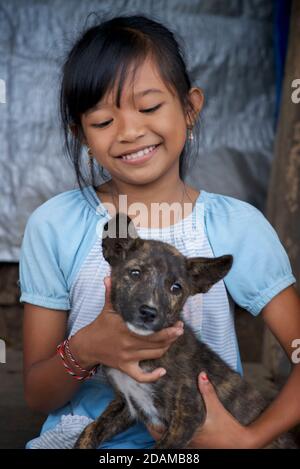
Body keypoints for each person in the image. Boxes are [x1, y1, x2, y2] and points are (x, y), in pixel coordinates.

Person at [19, 14, 300, 449]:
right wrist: (87, 347)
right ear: (81, 135)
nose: (131, 131)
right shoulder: (55, 225)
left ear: (189, 108)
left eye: (149, 107)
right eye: (102, 121)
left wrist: (251, 438)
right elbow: (39, 394)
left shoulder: (235, 226)